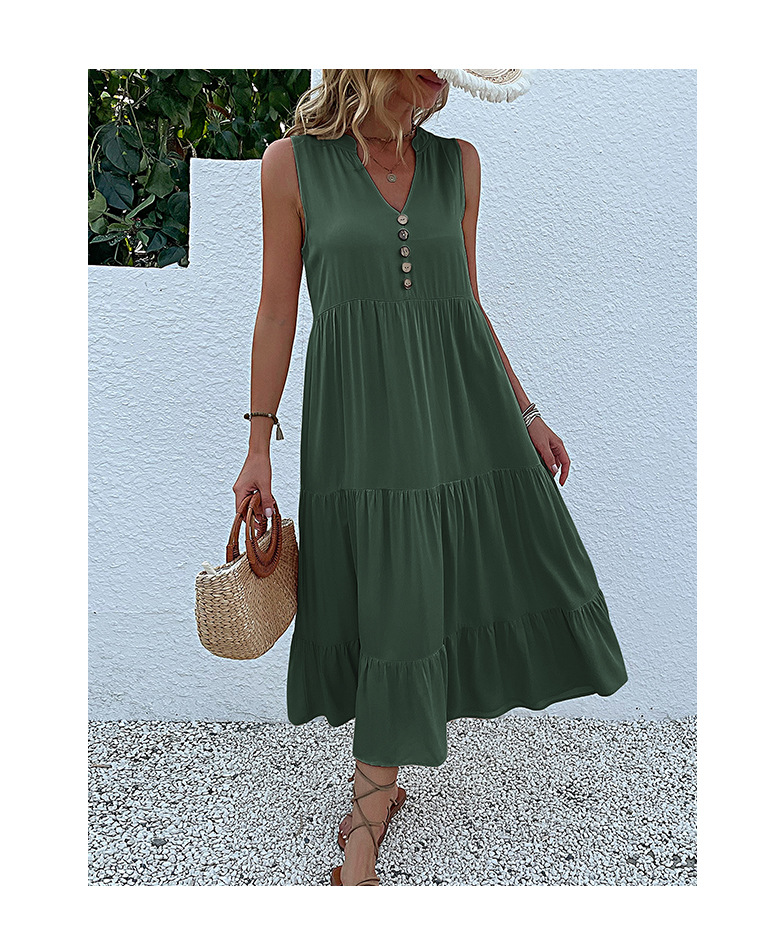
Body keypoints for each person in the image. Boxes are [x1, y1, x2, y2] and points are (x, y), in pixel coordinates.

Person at [233, 69, 628, 886]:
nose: (440, 71)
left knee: (428, 588)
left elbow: (467, 303)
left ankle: (367, 815)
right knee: (390, 589)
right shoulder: (290, 165)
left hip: (456, 413)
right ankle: (371, 811)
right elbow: (277, 310)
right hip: (358, 427)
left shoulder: (460, 164)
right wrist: (258, 446)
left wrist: (526, 412)